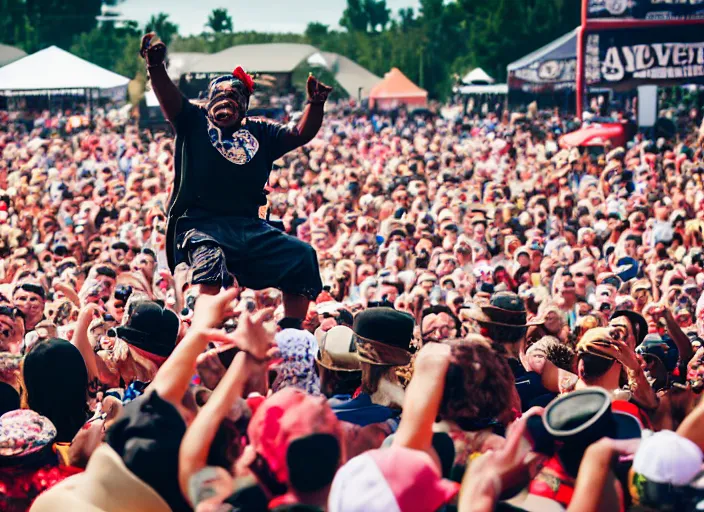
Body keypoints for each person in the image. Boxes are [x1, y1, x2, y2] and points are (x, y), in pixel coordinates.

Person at [140, 32, 332, 329]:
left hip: (248, 226)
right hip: (200, 224)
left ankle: (292, 330)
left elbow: (300, 134)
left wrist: (315, 104)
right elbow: (167, 96)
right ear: (208, 101)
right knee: (210, 257)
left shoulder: (261, 133)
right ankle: (203, 327)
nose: (226, 101)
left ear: (245, 106)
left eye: (234, 97)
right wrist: (155, 67)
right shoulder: (192, 121)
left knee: (302, 255)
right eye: (220, 96)